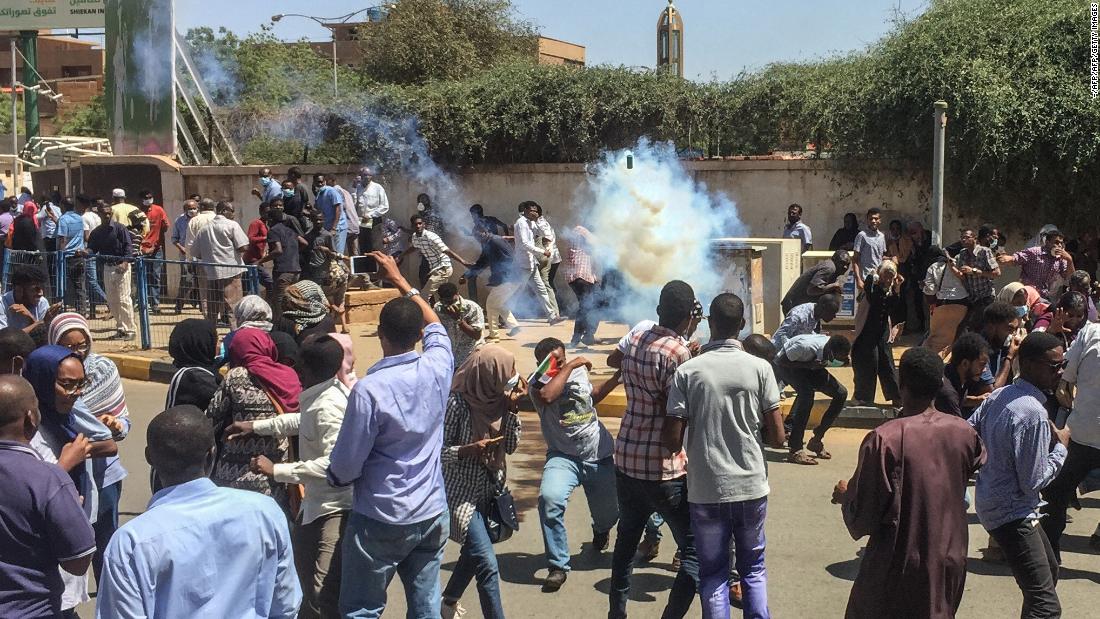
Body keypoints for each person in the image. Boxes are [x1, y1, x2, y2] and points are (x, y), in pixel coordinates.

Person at [327, 252, 453, 618]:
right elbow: (436, 327)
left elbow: (346, 465)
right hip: (431, 511)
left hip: (381, 516)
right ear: (418, 337)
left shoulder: (370, 390)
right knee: (425, 605)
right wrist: (401, 280)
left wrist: (333, 477)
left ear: (380, 334)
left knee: (362, 609)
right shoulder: (438, 365)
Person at [96, 405, 301, 618]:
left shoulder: (132, 542)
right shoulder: (265, 511)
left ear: (150, 458)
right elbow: (285, 606)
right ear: (211, 455)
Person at [833, 347, 985, 619]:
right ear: (940, 384)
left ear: (902, 385)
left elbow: (865, 517)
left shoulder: (884, 439)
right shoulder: (964, 432)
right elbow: (974, 464)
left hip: (899, 562)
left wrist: (847, 496)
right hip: (950, 555)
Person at [662, 293, 784, 619]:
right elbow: (778, 436)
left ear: (708, 323)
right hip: (751, 486)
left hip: (706, 490)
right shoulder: (760, 369)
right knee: (753, 567)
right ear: (742, 325)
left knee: (713, 572)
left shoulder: (687, 372)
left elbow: (672, 441)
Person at [223, 334, 353, 619]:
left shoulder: (329, 406)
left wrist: (277, 470)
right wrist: (256, 426)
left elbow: (333, 464)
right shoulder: (321, 395)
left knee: (322, 590)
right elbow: (300, 421)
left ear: (305, 369)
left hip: (335, 508)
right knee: (302, 583)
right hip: (314, 506)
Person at [608, 280, 700, 619]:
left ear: (659, 309)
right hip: (664, 468)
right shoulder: (679, 354)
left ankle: (616, 613)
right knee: (695, 549)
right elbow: (680, 412)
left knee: (625, 545)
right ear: (690, 316)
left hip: (627, 457)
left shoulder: (635, 338)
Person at [24, 345, 117, 614]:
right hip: (39, 547)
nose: (75, 394)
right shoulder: (27, 428)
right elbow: (26, 489)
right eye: (66, 385)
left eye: (80, 385)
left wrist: (81, 450)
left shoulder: (70, 416)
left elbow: (108, 443)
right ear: (42, 381)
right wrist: (66, 464)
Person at [0, 374, 96, 619]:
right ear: (31, 418)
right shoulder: (47, 478)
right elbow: (78, 561)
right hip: (33, 611)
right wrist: (71, 507)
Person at [439, 345, 524, 618]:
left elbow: (509, 446)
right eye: (506, 371)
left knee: (475, 552)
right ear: (488, 373)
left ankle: (448, 599)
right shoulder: (456, 403)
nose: (511, 377)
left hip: (490, 490)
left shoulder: (500, 400)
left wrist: (512, 411)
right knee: (486, 562)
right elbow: (437, 453)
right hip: (461, 495)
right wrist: (468, 450)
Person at [531, 337, 621, 592]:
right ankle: (558, 565)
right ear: (541, 365)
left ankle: (601, 530)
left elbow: (591, 397)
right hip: (563, 456)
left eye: (561, 359)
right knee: (550, 499)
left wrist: (616, 378)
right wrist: (569, 366)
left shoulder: (578, 371)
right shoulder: (537, 383)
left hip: (598, 452)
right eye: (552, 363)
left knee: (610, 513)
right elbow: (548, 395)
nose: (559, 365)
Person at [48, 312, 131, 580]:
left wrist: (115, 425)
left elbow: (123, 421)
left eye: (82, 345)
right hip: (64, 474)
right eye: (68, 346)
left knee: (106, 543)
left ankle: (109, 597)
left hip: (104, 475)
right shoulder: (46, 373)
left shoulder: (104, 370)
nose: (77, 352)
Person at [207, 328, 301, 515]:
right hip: (274, 476)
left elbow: (211, 418)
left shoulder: (236, 376)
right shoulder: (288, 376)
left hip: (233, 478)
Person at [776, 334, 852, 465]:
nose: (839, 361)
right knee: (806, 395)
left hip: (812, 366)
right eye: (838, 358)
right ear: (831, 352)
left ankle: (817, 439)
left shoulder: (829, 348)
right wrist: (809, 365)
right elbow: (781, 361)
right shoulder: (805, 347)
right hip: (789, 366)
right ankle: (795, 449)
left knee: (841, 393)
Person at [496, 201, 560, 332]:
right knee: (517, 292)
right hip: (522, 265)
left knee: (541, 289)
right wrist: (543, 251)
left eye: (536, 211)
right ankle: (504, 318)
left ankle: (552, 316)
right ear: (525, 211)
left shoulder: (531, 223)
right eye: (532, 211)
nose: (535, 213)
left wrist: (538, 221)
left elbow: (544, 233)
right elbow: (525, 244)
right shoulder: (521, 223)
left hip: (531, 264)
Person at [851, 260, 903, 407]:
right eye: (885, 276)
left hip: (882, 331)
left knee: (887, 362)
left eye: (890, 277)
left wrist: (897, 288)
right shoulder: (872, 284)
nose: (887, 280)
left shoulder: (892, 287)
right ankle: (863, 397)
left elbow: (893, 306)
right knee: (869, 362)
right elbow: (875, 299)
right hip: (867, 329)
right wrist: (876, 280)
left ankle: (896, 396)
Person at [191, 201, 249, 329]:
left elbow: (196, 253)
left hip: (211, 274)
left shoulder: (204, 229)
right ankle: (235, 337)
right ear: (223, 211)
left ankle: (210, 336)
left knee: (212, 310)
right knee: (233, 308)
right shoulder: (232, 225)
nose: (233, 214)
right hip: (231, 272)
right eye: (231, 211)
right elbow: (243, 246)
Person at [87, 200, 136, 340]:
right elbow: (92, 248)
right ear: (100, 215)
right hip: (107, 267)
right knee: (112, 300)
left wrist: (126, 262)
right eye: (104, 214)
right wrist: (85, 251)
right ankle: (120, 328)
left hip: (121, 266)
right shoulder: (97, 232)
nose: (107, 216)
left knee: (124, 299)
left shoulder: (120, 228)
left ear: (112, 213)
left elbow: (128, 247)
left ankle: (130, 329)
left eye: (109, 214)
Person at [399, 214, 471, 302]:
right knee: (445, 296)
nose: (418, 226)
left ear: (424, 225)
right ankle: (454, 309)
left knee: (424, 297)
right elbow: (414, 247)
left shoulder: (431, 236)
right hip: (435, 269)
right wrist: (401, 255)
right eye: (415, 224)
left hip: (443, 268)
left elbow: (446, 251)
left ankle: (427, 315)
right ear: (412, 226)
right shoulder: (415, 237)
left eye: (420, 223)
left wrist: (463, 262)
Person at [465, 227, 515, 340]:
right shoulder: (490, 242)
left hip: (507, 278)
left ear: (485, 232)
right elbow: (482, 262)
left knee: (491, 304)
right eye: (475, 237)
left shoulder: (494, 241)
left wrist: (502, 273)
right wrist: (468, 274)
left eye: (479, 235)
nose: (478, 238)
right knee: (498, 303)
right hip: (508, 278)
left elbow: (509, 258)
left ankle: (494, 335)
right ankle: (514, 325)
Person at [997, 228, 1074, 299]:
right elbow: (1016, 258)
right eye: (1056, 242)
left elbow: (1070, 278)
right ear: (1047, 242)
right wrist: (1006, 259)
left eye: (1061, 243)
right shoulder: (1034, 252)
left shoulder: (1060, 258)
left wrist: (1069, 260)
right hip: (1027, 294)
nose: (1059, 246)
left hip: (1044, 296)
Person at [165, 318, 221, 411]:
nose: (219, 344)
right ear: (202, 343)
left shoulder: (208, 372)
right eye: (216, 340)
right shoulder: (188, 376)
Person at [260, 200, 306, 314]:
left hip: (283, 272)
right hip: (296, 271)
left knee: (279, 302)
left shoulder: (273, 231)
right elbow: (304, 243)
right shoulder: (290, 230)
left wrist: (260, 261)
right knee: (293, 300)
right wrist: (294, 252)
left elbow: (278, 250)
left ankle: (281, 327)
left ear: (270, 220)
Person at [921, 246, 969, 354]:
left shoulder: (933, 267)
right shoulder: (957, 265)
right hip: (962, 303)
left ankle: (927, 361)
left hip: (942, 304)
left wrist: (930, 301)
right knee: (956, 337)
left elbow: (930, 289)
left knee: (936, 338)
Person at [935, 333, 992, 418]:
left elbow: (961, 399)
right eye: (981, 365)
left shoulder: (953, 372)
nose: (984, 370)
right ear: (965, 363)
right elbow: (958, 427)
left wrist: (979, 399)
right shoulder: (948, 394)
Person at [955, 227, 1001, 332]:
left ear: (975, 239)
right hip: (972, 298)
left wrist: (974, 271)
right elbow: (962, 275)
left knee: (977, 327)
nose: (963, 240)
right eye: (962, 238)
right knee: (965, 327)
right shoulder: (963, 253)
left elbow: (997, 273)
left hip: (986, 296)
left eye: (966, 237)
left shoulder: (985, 252)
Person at [434, 282, 485, 369]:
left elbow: (476, 335)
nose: (451, 305)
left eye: (453, 301)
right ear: (441, 300)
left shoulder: (472, 308)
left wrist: (459, 320)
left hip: (470, 357)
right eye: (447, 302)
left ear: (457, 294)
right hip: (449, 358)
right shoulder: (438, 309)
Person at [781, 249, 850, 314]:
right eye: (842, 263)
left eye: (848, 264)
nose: (845, 267)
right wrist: (834, 286)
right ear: (834, 259)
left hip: (801, 306)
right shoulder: (829, 268)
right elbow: (812, 290)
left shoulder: (832, 268)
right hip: (794, 306)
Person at [565, 225, 601, 347]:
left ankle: (588, 335)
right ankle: (575, 340)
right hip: (581, 275)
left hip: (587, 276)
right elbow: (597, 245)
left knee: (596, 304)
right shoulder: (581, 230)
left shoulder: (581, 231)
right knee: (585, 307)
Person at [770, 294, 841, 351]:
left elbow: (806, 332)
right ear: (823, 308)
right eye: (832, 312)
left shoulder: (816, 314)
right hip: (780, 352)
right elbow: (781, 335)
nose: (834, 316)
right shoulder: (799, 316)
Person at [0, 264, 56, 334]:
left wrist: (31, 318)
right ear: (19, 289)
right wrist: (42, 322)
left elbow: (43, 335)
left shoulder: (42, 302)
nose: (41, 293)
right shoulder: (2, 304)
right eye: (36, 289)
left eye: (42, 288)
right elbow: (4, 338)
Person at [137, 190, 169, 312]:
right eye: (146, 198)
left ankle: (155, 304)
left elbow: (165, 226)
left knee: (155, 276)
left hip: (156, 249)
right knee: (142, 277)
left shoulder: (158, 210)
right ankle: (143, 303)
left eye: (150, 197)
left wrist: (155, 243)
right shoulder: (137, 213)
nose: (148, 199)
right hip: (141, 249)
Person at [56, 198, 89, 316]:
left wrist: (60, 254)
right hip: (79, 255)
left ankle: (63, 311)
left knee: (63, 285)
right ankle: (82, 312)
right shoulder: (79, 218)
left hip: (67, 257)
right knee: (80, 286)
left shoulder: (63, 219)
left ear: (63, 206)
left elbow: (62, 239)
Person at [533, 203, 564, 314]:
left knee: (546, 284)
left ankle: (554, 311)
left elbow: (549, 239)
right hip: (552, 257)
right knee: (548, 283)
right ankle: (555, 309)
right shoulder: (539, 222)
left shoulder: (541, 224)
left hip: (549, 257)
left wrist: (542, 247)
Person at [354, 166, 390, 256]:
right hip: (362, 222)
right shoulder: (357, 188)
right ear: (360, 176)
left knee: (375, 246)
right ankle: (366, 268)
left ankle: (376, 269)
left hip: (374, 221)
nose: (366, 177)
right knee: (364, 247)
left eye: (368, 175)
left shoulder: (378, 188)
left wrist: (371, 214)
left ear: (371, 176)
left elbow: (385, 206)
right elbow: (354, 205)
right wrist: (354, 188)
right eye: (364, 175)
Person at [851, 208, 886, 297]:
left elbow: (881, 257)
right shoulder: (862, 236)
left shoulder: (882, 237)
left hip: (878, 279)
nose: (873, 221)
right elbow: (855, 259)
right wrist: (858, 279)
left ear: (880, 220)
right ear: (867, 220)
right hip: (865, 278)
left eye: (876, 218)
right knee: (864, 308)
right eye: (871, 219)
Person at [244, 202, 274, 300]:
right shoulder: (256, 223)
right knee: (269, 283)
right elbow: (250, 238)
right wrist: (265, 238)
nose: (268, 215)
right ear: (261, 212)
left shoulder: (265, 224)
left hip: (258, 259)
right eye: (266, 212)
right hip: (252, 260)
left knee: (249, 287)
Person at [315, 174, 348, 255]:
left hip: (337, 228)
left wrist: (334, 228)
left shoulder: (331, 191)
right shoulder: (319, 194)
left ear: (325, 182)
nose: (320, 184)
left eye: (321, 182)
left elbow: (338, 209)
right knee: (330, 255)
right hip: (327, 228)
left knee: (338, 255)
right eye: (317, 182)